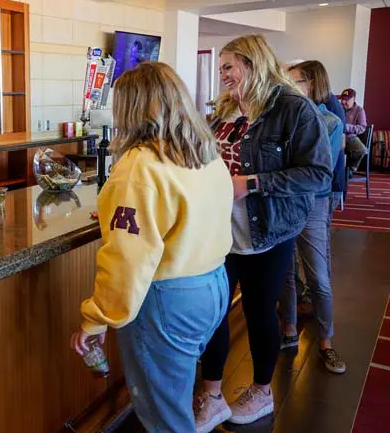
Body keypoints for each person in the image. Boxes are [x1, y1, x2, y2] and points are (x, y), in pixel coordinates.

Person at [69, 62, 233, 432]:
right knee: (175, 398)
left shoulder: (140, 165)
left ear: (132, 109)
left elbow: (127, 260)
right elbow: (185, 213)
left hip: (168, 300)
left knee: (164, 417)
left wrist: (95, 319)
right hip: (213, 285)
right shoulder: (203, 151)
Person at [195, 35, 332, 432]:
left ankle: (260, 391)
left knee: (259, 313)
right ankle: (213, 395)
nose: (222, 75)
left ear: (253, 65)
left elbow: (318, 174)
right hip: (219, 233)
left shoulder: (294, 109)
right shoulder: (224, 109)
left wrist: (251, 183)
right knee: (214, 314)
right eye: (221, 67)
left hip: (268, 232)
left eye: (228, 66)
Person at [282, 60, 346, 374]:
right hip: (283, 204)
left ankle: (326, 343)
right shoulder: (284, 118)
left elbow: (319, 176)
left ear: (311, 83)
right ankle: (289, 329)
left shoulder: (331, 122)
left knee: (318, 277)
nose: (288, 86)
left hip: (312, 205)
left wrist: (283, 175)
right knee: (287, 273)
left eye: (294, 81)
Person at [338, 88, 369, 175]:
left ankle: (350, 170)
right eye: (342, 99)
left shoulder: (359, 110)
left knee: (361, 150)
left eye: (347, 100)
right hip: (337, 136)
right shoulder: (338, 107)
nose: (344, 102)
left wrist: (346, 127)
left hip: (350, 137)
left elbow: (362, 127)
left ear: (354, 99)